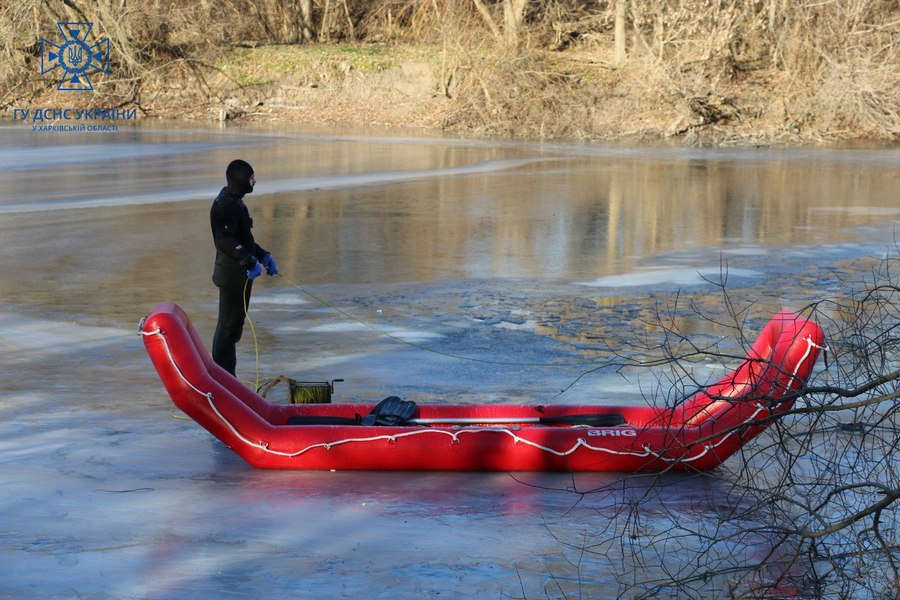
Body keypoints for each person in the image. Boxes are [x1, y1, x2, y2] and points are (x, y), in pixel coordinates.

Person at [210, 159, 277, 376]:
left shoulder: (236, 201)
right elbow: (224, 240)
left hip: (241, 275)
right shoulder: (225, 204)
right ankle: (223, 377)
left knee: (235, 326)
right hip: (231, 275)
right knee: (228, 328)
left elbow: (243, 239)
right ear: (240, 180)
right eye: (251, 178)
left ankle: (227, 377)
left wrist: (262, 254)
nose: (254, 182)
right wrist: (248, 261)